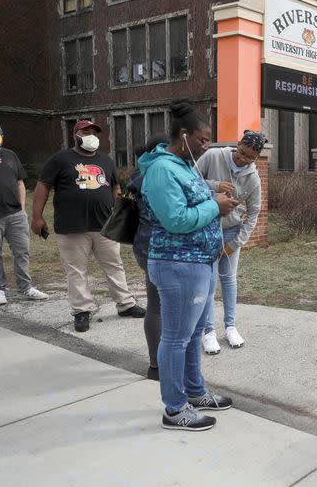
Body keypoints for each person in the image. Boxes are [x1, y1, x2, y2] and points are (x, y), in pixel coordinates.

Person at [139, 99, 237, 431]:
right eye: (203, 139)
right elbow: (176, 219)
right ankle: (174, 408)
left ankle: (194, 392)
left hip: (201, 263)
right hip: (177, 265)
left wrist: (215, 198)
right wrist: (216, 207)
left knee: (194, 334)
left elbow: (194, 200)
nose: (207, 145)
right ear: (184, 136)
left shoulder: (182, 167)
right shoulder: (162, 169)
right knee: (177, 337)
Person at [32, 120, 144, 332]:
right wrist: (37, 217)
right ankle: (82, 310)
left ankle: (126, 304)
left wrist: (118, 207)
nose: (92, 134)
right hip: (71, 227)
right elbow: (43, 186)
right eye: (86, 131)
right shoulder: (60, 159)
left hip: (104, 226)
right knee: (76, 270)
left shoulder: (105, 160)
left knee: (114, 264)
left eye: (94, 131)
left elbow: (114, 185)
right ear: (76, 134)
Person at [197, 131, 265, 354]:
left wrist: (234, 244)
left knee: (228, 279)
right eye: (242, 153)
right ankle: (208, 331)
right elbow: (190, 182)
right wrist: (216, 186)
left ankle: (230, 326)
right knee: (208, 281)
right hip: (206, 228)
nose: (243, 160)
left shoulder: (252, 177)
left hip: (231, 232)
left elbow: (254, 214)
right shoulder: (213, 155)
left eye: (250, 158)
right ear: (237, 145)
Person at [127, 134, 169, 381]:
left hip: (143, 247)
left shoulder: (138, 174)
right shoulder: (161, 175)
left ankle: (155, 363)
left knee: (155, 306)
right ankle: (163, 363)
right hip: (161, 250)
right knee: (163, 308)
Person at [0, 124, 49, 305]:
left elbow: (20, 182)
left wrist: (22, 208)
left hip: (16, 214)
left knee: (22, 252)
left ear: (1, 138)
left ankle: (26, 287)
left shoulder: (10, 155)